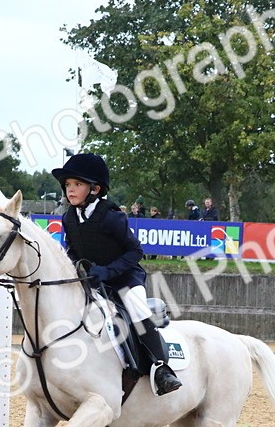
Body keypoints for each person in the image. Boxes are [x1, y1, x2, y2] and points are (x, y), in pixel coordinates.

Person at [51, 152, 181, 396]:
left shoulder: (112, 217)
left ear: (95, 189)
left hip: (125, 279)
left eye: (77, 184)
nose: (70, 189)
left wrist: (109, 271)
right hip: (94, 281)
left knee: (136, 308)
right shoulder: (68, 217)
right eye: (68, 185)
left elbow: (135, 251)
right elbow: (72, 251)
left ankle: (162, 368)